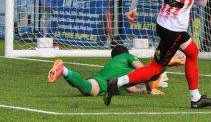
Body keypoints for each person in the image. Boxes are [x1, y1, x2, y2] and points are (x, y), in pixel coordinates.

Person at [48, 45, 185, 96]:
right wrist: (149, 91)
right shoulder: (127, 56)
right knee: (151, 73)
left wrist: (141, 90)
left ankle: (64, 70)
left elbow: (131, 89)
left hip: (101, 79)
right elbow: (143, 70)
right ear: (126, 52)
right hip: (120, 80)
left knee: (85, 86)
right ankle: (165, 63)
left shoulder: (111, 64)